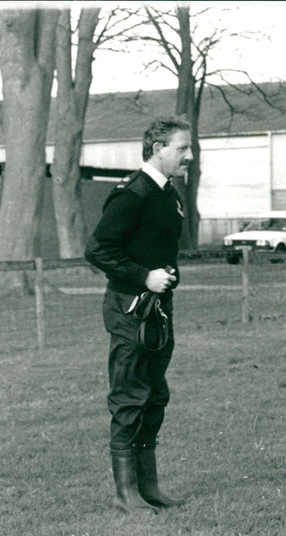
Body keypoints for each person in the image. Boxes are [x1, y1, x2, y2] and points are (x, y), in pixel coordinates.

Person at [85, 116, 193, 514]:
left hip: (158, 313)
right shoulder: (133, 194)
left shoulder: (168, 195)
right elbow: (97, 250)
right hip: (130, 310)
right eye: (182, 149)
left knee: (154, 396)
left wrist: (164, 276)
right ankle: (124, 493)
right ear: (157, 148)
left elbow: (160, 251)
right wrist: (143, 277)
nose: (189, 156)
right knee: (129, 396)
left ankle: (149, 488)